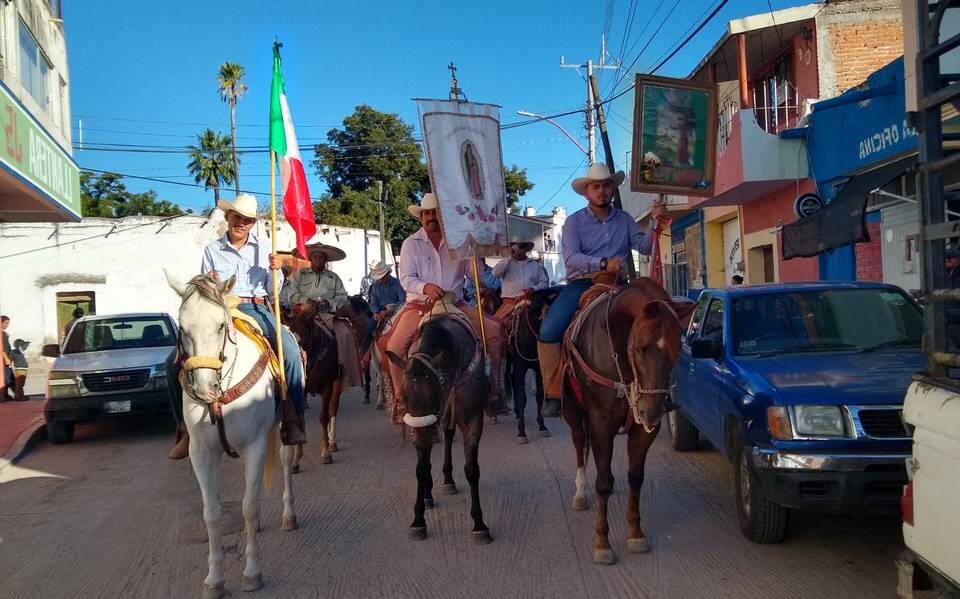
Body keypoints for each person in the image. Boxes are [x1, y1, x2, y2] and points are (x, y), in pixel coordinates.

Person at [172, 192, 306, 460]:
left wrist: (275, 270)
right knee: (171, 362)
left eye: (247, 219)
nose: (241, 223)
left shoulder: (265, 247)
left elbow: (274, 292)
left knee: (291, 352)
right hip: (219, 309)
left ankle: (293, 419)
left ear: (253, 223)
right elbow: (206, 290)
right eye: (237, 217)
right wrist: (208, 282)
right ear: (227, 217)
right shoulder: (211, 250)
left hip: (255, 307)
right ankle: (184, 428)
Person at [536, 164, 663, 414]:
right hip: (583, 282)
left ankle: (656, 388)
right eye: (596, 187)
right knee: (549, 330)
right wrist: (603, 262)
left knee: (653, 327)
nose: (602, 191)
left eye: (606, 186)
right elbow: (571, 257)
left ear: (612, 189)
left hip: (618, 286)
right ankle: (554, 391)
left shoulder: (625, 219)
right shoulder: (573, 222)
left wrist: (656, 219)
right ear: (586, 192)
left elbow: (645, 247)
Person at [384, 192, 508, 423]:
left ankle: (493, 391)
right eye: (427, 213)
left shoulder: (460, 242)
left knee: (493, 333)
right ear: (421, 216)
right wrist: (425, 287)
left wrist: (477, 256)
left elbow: (474, 276)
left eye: (436, 213)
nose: (431, 217)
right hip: (420, 304)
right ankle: (402, 399)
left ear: (443, 216)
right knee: (394, 344)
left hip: (455, 303)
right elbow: (406, 278)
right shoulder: (411, 243)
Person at [289, 242, 363, 389]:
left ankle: (344, 370)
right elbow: (292, 294)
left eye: (321, 257)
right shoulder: (299, 275)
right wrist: (307, 302)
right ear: (310, 259)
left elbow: (342, 296)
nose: (318, 260)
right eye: (315, 257)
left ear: (326, 260)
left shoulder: (333, 277)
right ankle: (285, 373)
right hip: (302, 315)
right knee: (288, 337)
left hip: (326, 315)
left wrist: (330, 303)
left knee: (346, 334)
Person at [491, 235, 549, 322]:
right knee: (496, 325)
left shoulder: (535, 265)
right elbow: (495, 273)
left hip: (530, 302)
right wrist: (510, 257)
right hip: (509, 304)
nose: (518, 249)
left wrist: (533, 289)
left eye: (521, 247)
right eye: (515, 246)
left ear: (525, 249)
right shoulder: (506, 264)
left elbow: (544, 283)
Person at [1, 316, 13, 401]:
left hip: (6, 357)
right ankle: (4, 395)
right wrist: (6, 358)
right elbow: (2, 348)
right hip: (3, 359)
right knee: (6, 378)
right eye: (6, 323)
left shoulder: (4, 333)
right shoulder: (2, 334)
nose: (8, 325)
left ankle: (5, 394)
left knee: (8, 377)